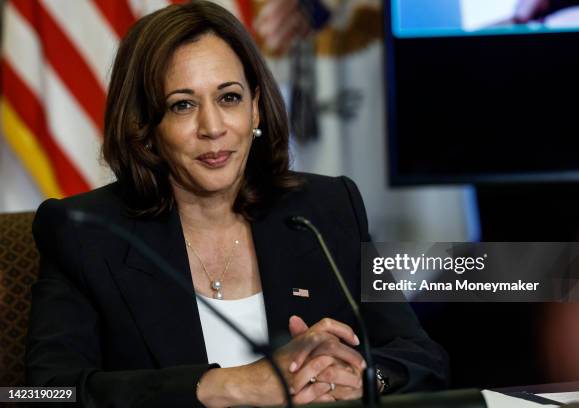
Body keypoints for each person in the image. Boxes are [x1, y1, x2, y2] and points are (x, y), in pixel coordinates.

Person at [26, 1, 448, 407]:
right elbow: (41, 393)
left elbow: (422, 357)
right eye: (183, 105)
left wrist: (363, 378)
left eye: (229, 97)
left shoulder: (327, 208)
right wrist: (227, 385)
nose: (213, 127)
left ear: (256, 109)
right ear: (144, 126)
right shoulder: (85, 233)